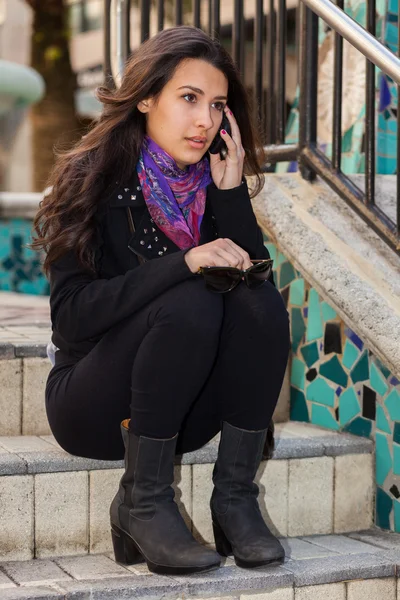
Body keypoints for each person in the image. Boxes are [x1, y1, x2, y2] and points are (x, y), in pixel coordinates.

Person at [33, 26, 290, 576]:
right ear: (147, 97)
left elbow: (255, 290)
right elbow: (72, 320)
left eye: (218, 105)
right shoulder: (90, 181)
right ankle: (143, 502)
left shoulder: (210, 183)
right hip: (91, 404)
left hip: (182, 410)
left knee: (262, 305)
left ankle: (235, 499)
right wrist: (184, 262)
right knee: (191, 300)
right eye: (189, 99)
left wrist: (230, 195)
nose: (206, 121)